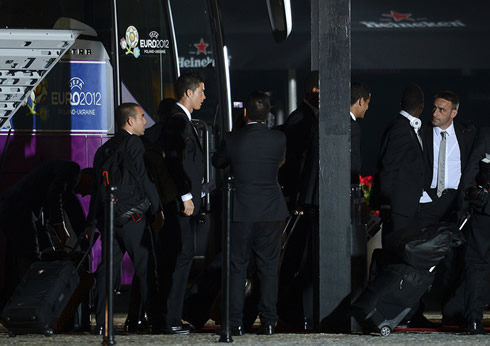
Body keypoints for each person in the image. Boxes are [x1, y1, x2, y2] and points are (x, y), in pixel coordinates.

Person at [212, 91, 289, 336]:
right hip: (271, 210)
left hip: (241, 210)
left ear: (244, 113)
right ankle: (267, 321)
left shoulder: (233, 139)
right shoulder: (279, 139)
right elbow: (280, 163)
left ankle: (234, 322)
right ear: (267, 114)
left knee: (237, 267)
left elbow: (218, 161)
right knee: (268, 268)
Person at [91, 103, 164, 335]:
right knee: (145, 267)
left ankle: (102, 320)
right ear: (130, 121)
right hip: (132, 217)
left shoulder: (104, 148)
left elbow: (97, 187)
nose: (145, 121)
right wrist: (157, 209)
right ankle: (156, 319)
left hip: (109, 217)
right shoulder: (133, 143)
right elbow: (144, 178)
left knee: (107, 269)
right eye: (142, 117)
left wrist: (92, 221)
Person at [0, 160, 94, 310]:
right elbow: (55, 195)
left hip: (13, 207)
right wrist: (60, 226)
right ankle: (29, 303)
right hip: (19, 209)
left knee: (15, 258)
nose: (83, 195)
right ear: (89, 178)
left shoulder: (60, 173)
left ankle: (11, 303)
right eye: (89, 190)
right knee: (29, 256)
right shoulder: (72, 169)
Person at [157, 71, 206, 335]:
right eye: (201, 91)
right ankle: (171, 319)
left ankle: (170, 316)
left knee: (178, 256)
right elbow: (174, 160)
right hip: (180, 201)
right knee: (181, 257)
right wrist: (186, 195)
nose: (204, 96)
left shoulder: (178, 120)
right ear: (188, 93)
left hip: (182, 198)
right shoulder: (177, 121)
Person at [445, 127, 490, 334]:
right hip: (484, 209)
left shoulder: (487, 133)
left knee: (476, 264)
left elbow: (472, 168)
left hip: (484, 209)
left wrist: (463, 205)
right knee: (477, 264)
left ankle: (473, 319)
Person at [371, 84, 425, 240]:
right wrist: (386, 203)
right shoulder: (402, 129)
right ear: (421, 106)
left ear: (401, 103)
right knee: (396, 251)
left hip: (401, 207)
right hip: (400, 209)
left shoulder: (398, 125)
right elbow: (388, 168)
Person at [416, 91, 476, 228]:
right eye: (434, 108)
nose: (435, 113)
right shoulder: (422, 132)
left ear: (453, 113)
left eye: (441, 110)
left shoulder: (466, 134)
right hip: (428, 201)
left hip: (456, 202)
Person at [279, 70, 319, 210]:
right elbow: (294, 158)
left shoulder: (307, 116)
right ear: (315, 90)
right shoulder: (300, 119)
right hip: (297, 195)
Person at [350, 82, 371, 184]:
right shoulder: (353, 127)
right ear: (361, 101)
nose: (367, 108)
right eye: (368, 103)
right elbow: (354, 165)